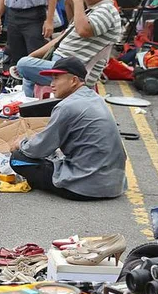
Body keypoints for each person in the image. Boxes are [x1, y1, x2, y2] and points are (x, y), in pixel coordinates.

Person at [10, 57, 126, 200]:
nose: (52, 84)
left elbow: (39, 149)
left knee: (18, 159)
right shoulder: (95, 98)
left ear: (73, 81)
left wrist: (21, 144)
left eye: (56, 78)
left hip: (87, 187)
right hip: (114, 184)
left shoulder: (67, 106)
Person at [15, 0, 122, 97]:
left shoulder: (107, 10)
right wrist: (32, 56)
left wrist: (77, 1)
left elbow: (83, 30)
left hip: (74, 72)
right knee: (26, 66)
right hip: (61, 64)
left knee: (23, 65)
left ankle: (28, 107)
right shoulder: (91, 11)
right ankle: (29, 107)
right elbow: (60, 39)